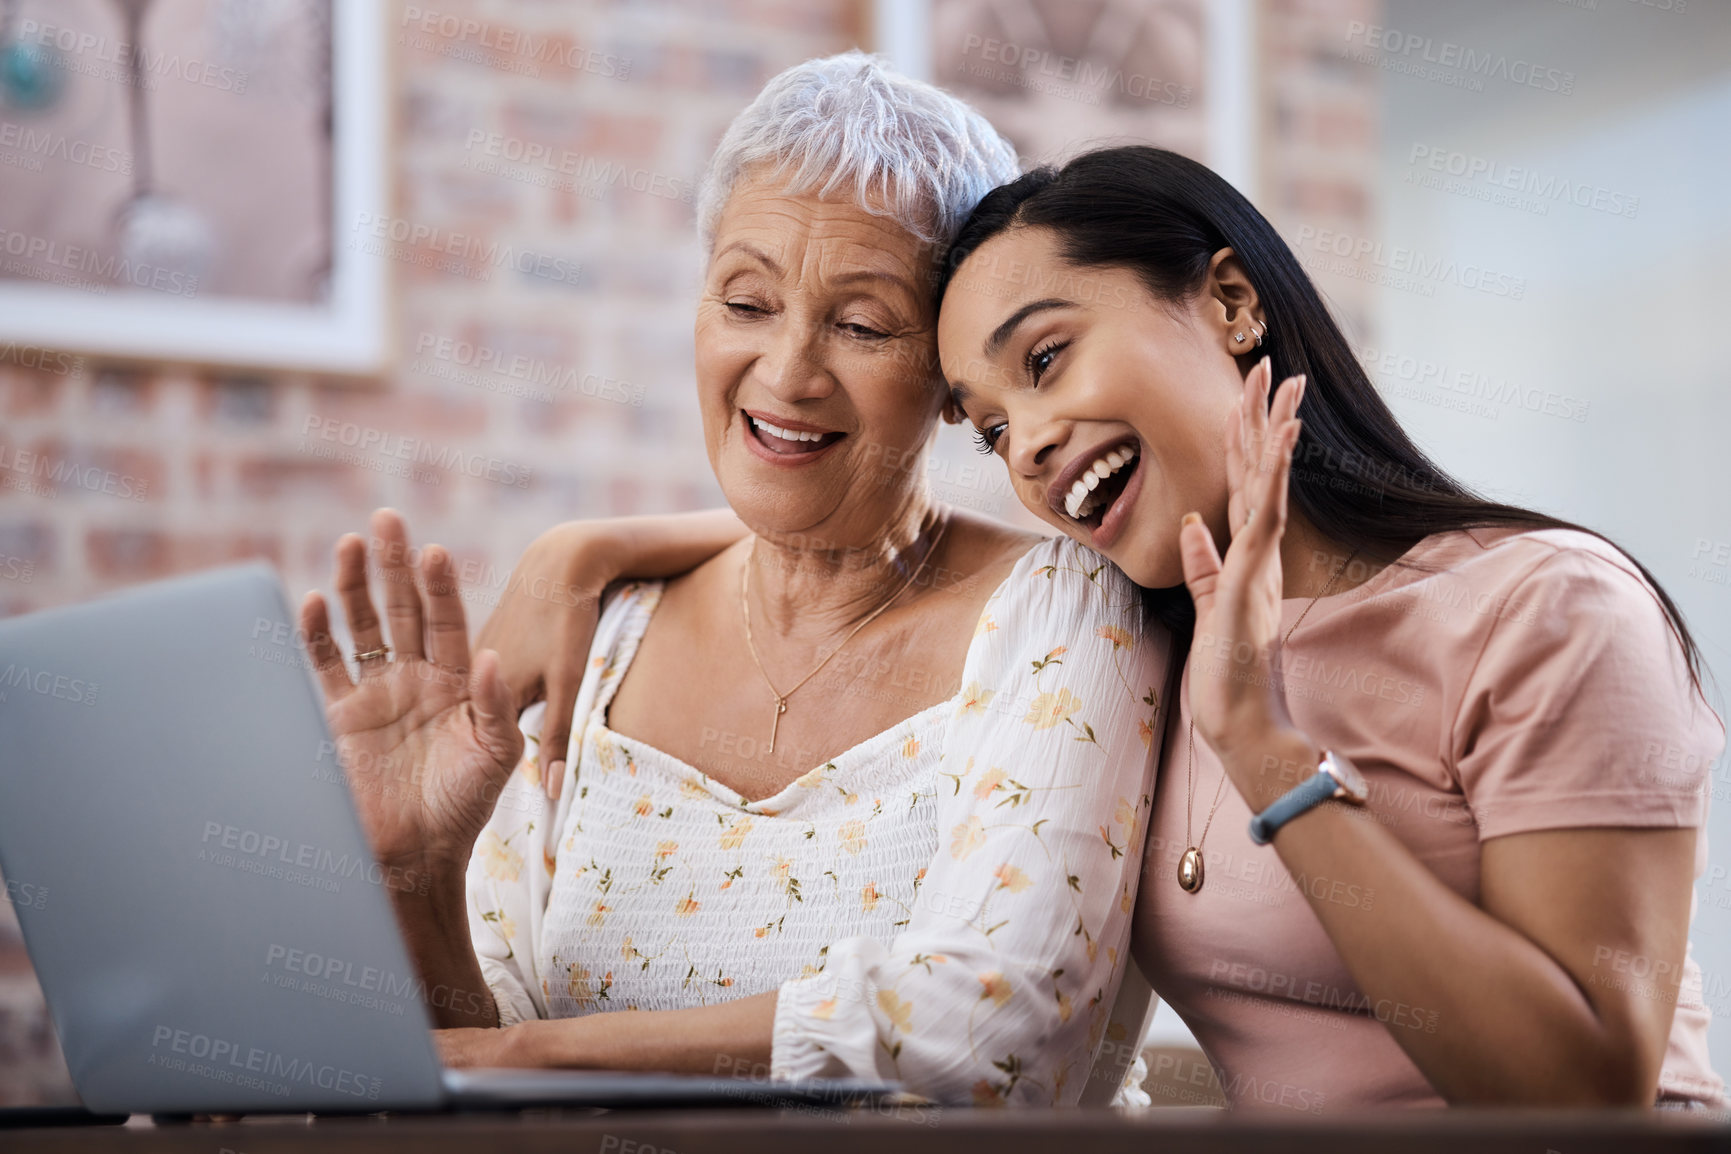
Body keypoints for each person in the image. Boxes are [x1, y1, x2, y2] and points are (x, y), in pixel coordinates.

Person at [492, 144, 1725, 1110]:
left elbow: (1589, 1090)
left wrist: (1269, 753)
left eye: (1046, 360)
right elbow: (871, 523)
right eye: (984, 425)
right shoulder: (1142, 627)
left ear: (1232, 300)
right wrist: (584, 549)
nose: (1023, 443)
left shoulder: (1547, 606)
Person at [298, 57, 1166, 1108]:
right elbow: (477, 1068)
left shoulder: (1063, 611)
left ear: (951, 378)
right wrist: (417, 872)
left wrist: (543, 1057)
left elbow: (998, 1023)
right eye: (747, 301)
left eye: (861, 323)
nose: (789, 370)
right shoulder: (598, 632)